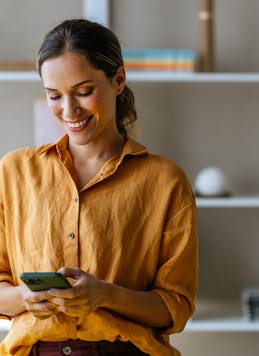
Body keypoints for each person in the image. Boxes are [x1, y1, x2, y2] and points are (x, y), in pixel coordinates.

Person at [0, 18, 198, 356]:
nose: (68, 110)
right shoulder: (14, 171)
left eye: (83, 91)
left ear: (118, 80)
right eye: (54, 95)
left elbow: (174, 306)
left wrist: (106, 294)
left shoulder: (165, 181)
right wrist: (24, 297)